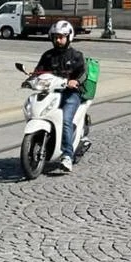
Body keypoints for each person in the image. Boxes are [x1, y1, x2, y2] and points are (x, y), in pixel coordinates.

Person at [33, 20, 87, 173]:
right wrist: (32, 77)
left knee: (65, 119)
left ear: (69, 37)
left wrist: (75, 81)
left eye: (61, 37)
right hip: (51, 92)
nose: (58, 40)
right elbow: (39, 71)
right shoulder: (48, 55)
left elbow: (83, 73)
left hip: (71, 94)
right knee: (38, 113)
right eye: (56, 37)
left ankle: (67, 156)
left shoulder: (76, 55)